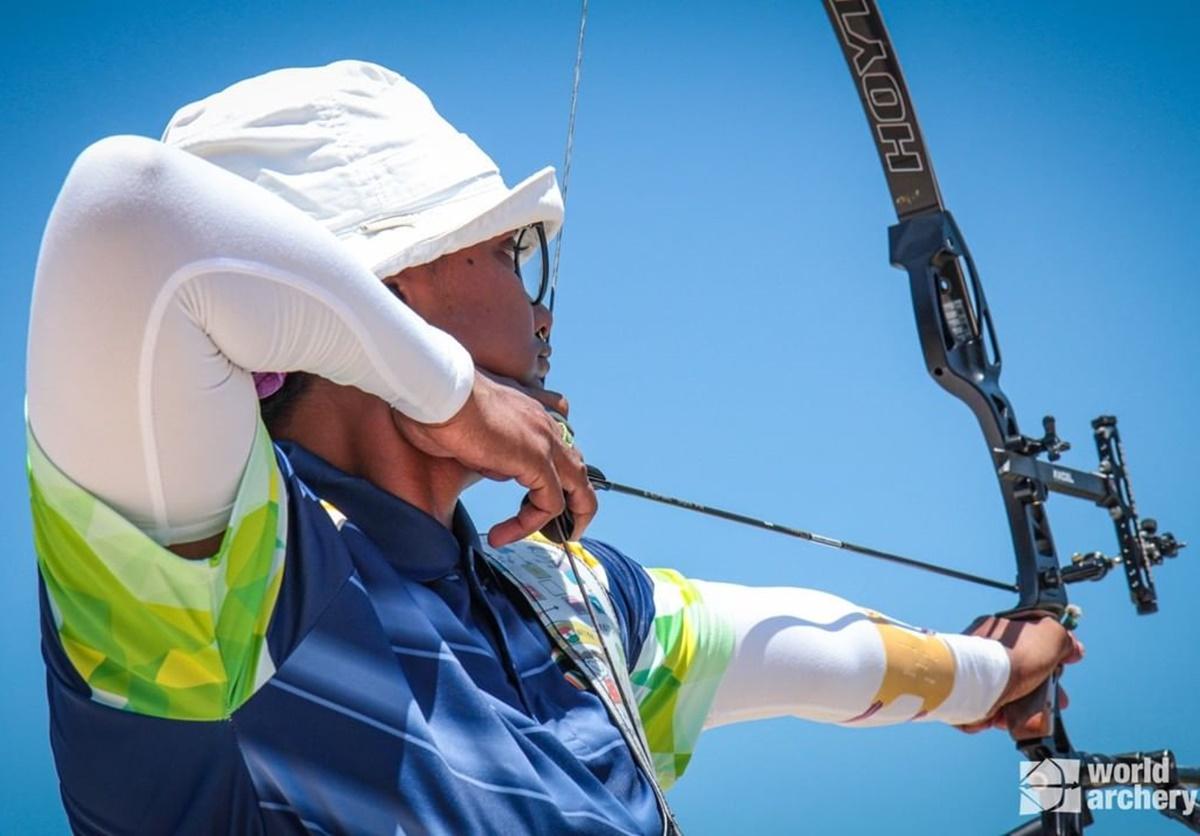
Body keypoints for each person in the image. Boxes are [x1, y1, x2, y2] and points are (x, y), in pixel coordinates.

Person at [25, 61, 1082, 835]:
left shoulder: (560, 604)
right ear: (384, 286)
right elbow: (126, 216)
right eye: (502, 251)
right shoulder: (217, 587)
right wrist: (446, 389)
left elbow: (815, 652)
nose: (540, 312)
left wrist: (992, 669)